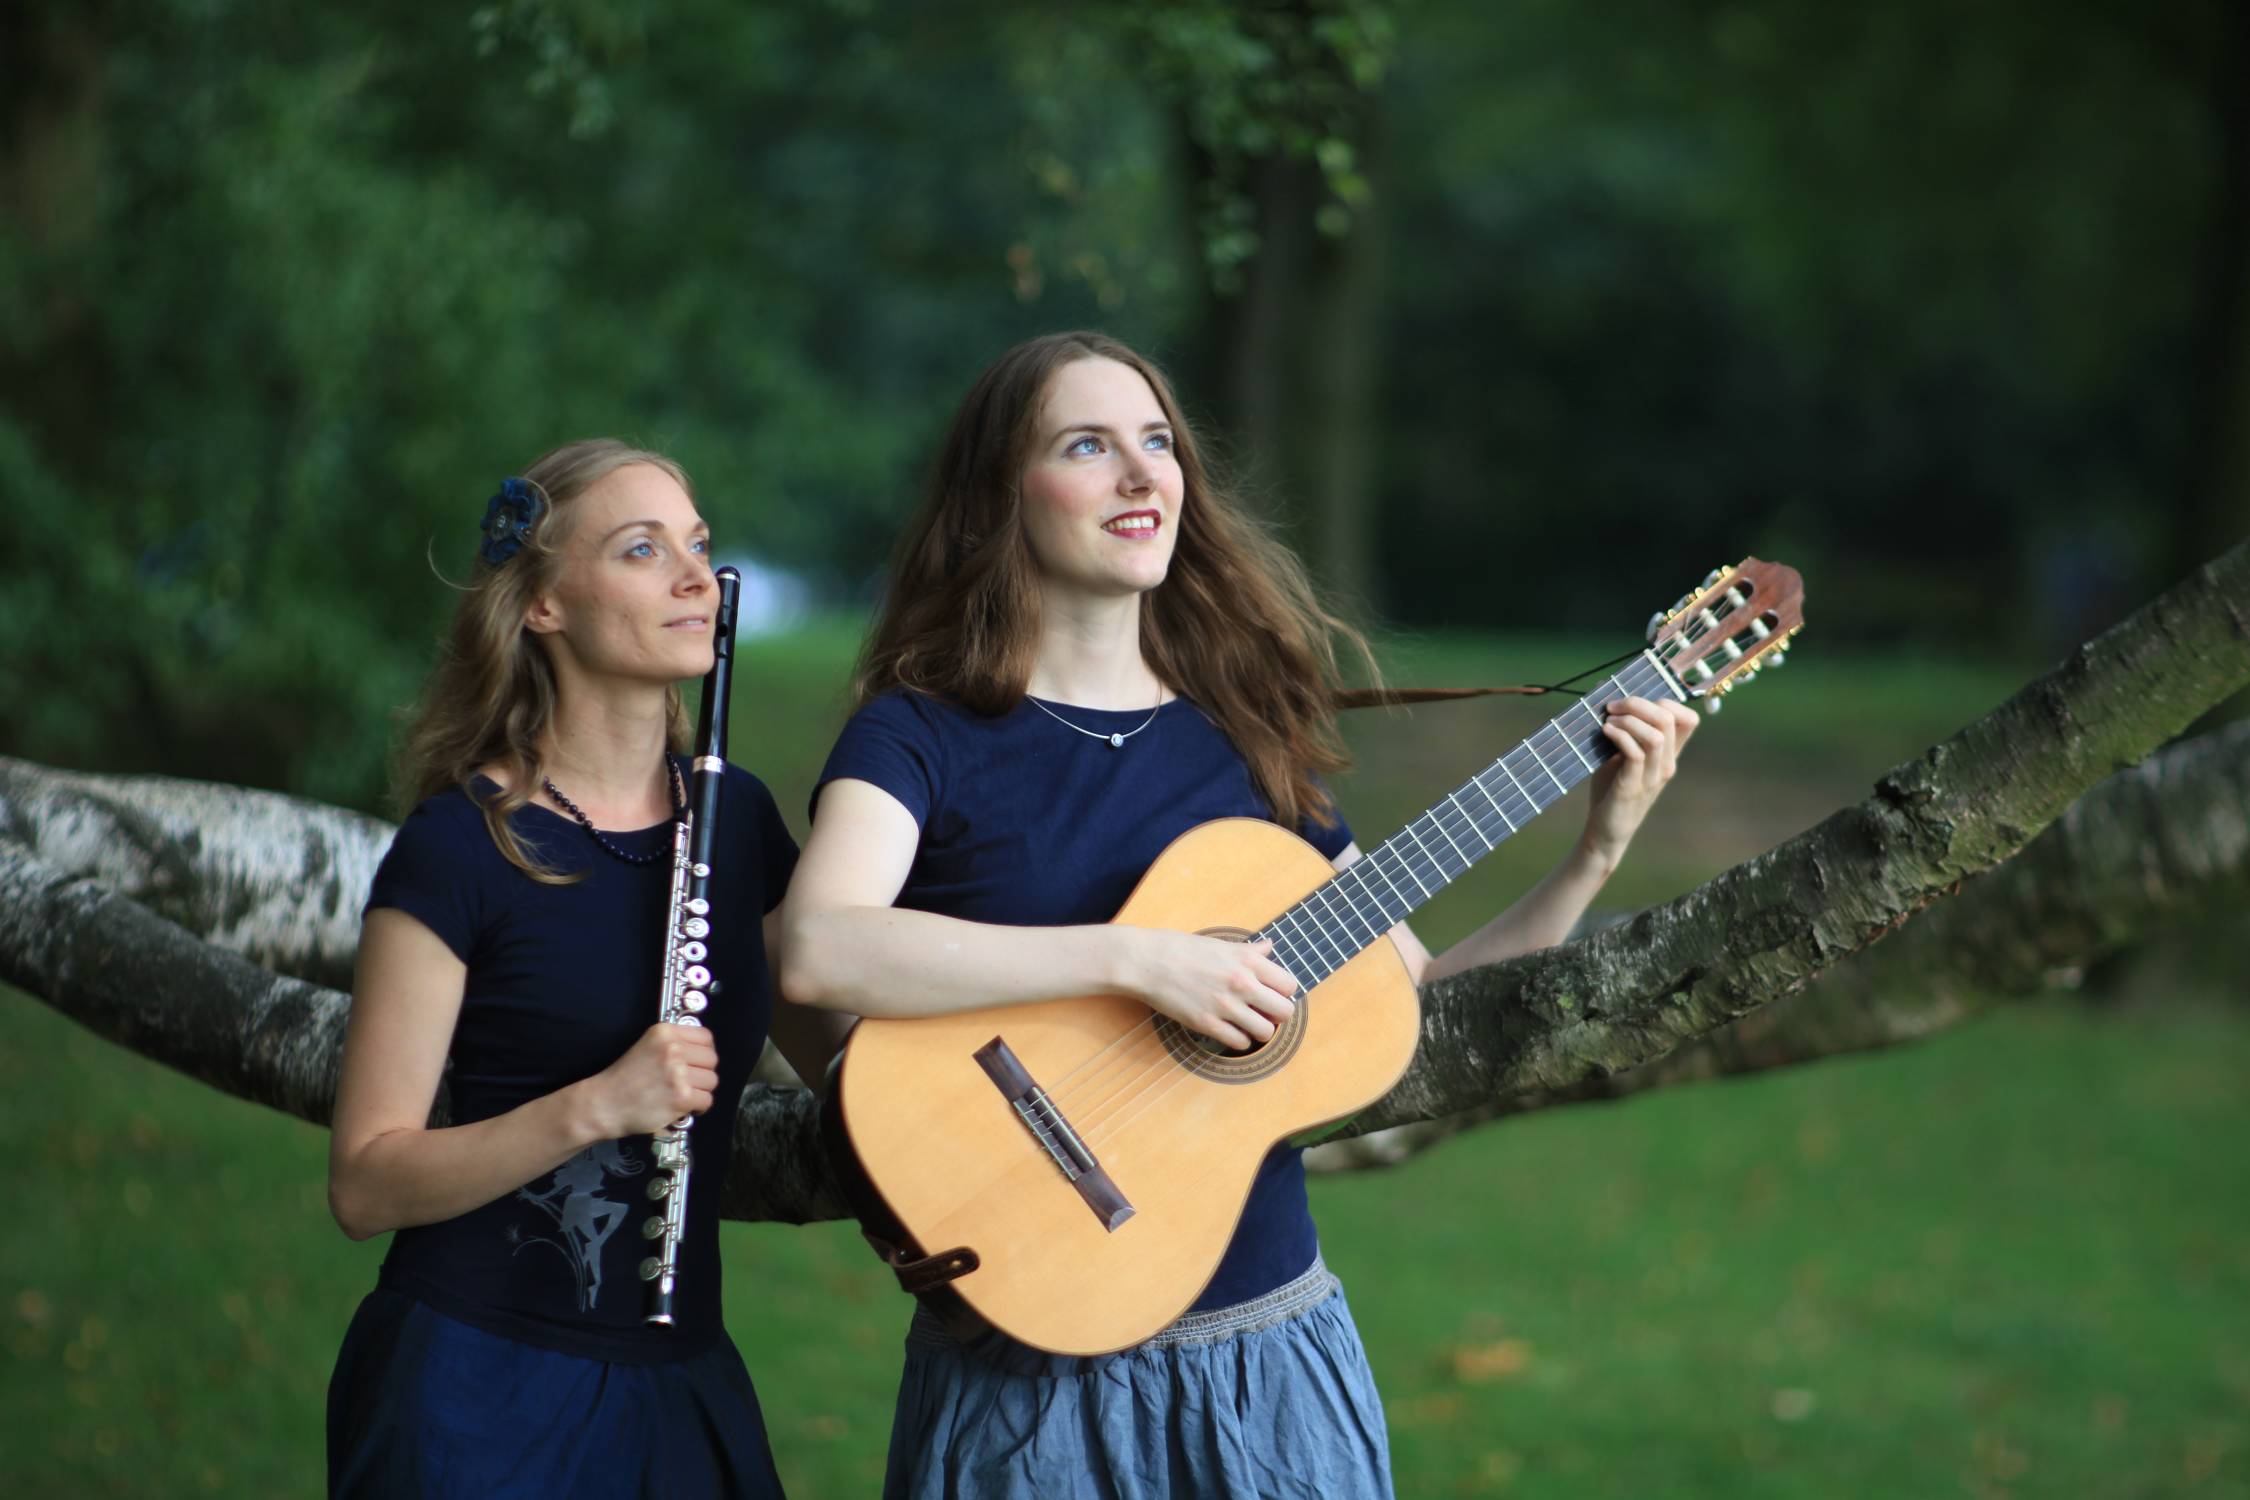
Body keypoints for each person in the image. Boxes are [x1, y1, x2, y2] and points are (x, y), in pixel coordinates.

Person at [777, 331, 1700, 1496]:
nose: (1140, 473)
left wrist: (1595, 852)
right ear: (998, 495)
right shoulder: (919, 736)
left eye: (1157, 442)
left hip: (1268, 1364)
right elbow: (819, 948)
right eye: (1087, 445)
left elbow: (1420, 998)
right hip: (1022, 1379)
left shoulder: (1243, 738)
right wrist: (1138, 963)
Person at [325, 439, 837, 1498]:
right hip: (475, 1392)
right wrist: (599, 1104)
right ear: (544, 604)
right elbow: (366, 1184)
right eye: (643, 550)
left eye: (698, 544)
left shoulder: (735, 823)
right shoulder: (461, 845)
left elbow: (846, 1059)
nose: (696, 578)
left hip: (680, 1378)